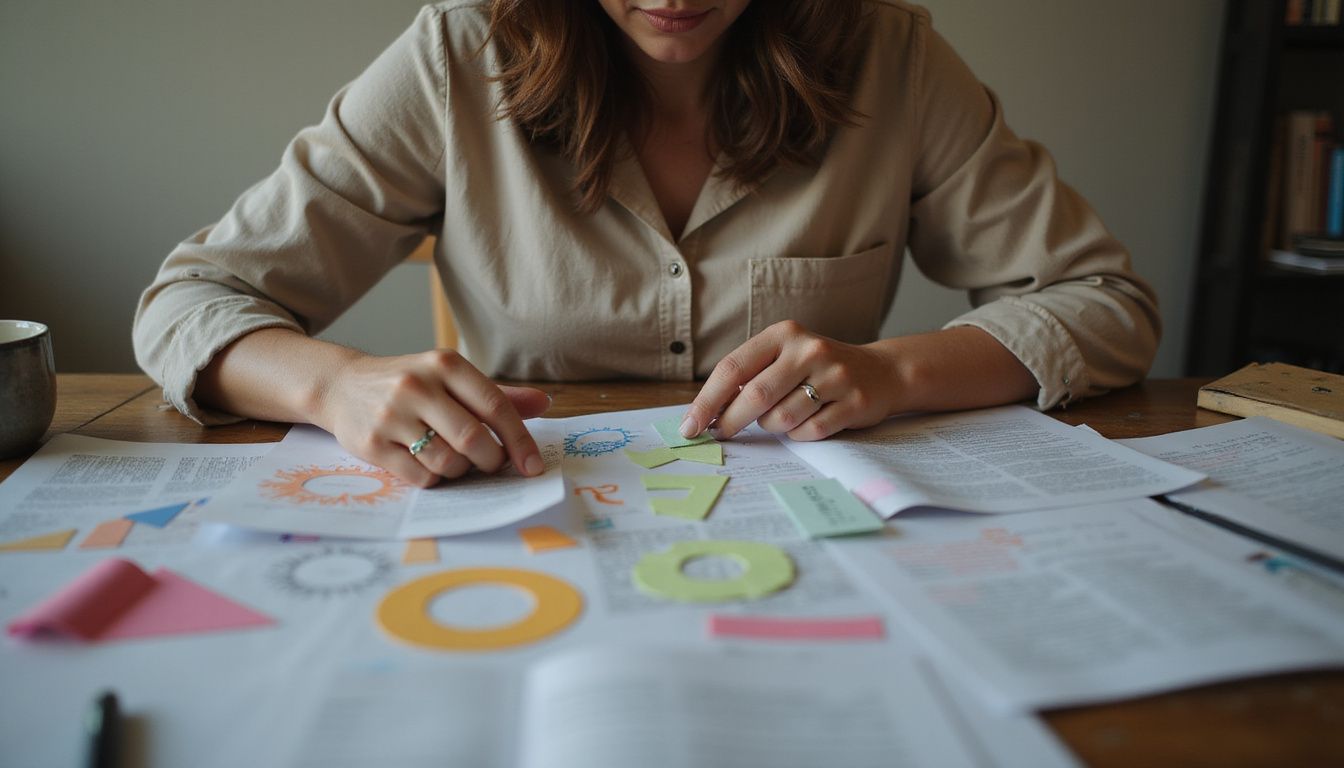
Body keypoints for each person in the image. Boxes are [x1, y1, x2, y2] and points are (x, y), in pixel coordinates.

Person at [133, 0, 1160, 488]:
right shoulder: (459, 51)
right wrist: (333, 387)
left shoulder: (889, 52)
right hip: (520, 524)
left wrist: (891, 373)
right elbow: (190, 301)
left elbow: (1106, 300)